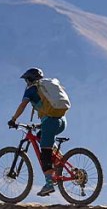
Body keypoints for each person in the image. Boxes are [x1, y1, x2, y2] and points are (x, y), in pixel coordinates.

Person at [8, 67, 66, 197]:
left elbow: (23, 105)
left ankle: (49, 184)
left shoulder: (31, 90)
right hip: (61, 121)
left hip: (51, 122)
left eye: (26, 80)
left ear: (29, 79)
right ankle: (59, 161)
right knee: (42, 136)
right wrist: (42, 124)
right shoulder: (46, 87)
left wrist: (13, 119)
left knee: (44, 154)